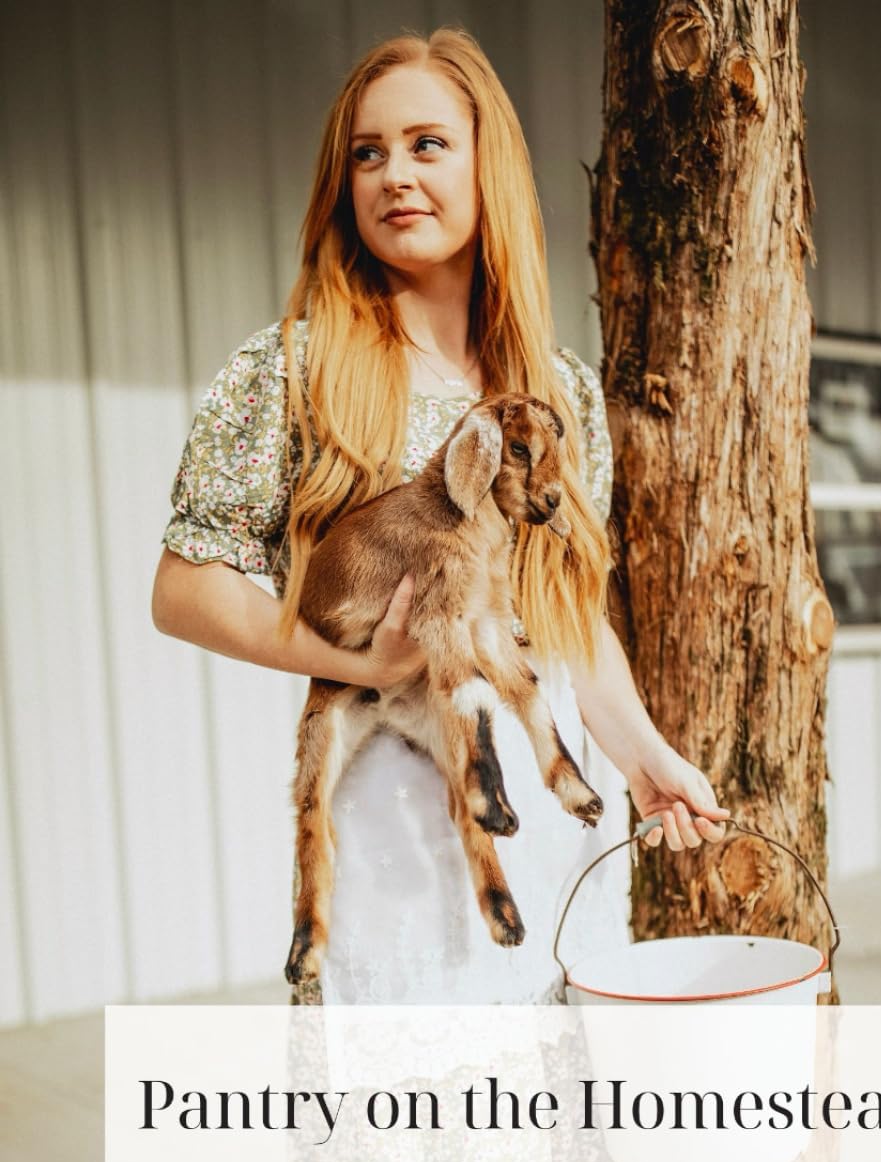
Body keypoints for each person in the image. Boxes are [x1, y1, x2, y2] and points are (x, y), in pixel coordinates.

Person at [151, 27, 728, 1010]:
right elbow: (184, 589)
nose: (394, 175)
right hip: (395, 832)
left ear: (485, 164)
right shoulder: (293, 369)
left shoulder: (558, 391)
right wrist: (365, 664)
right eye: (367, 154)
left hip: (550, 829)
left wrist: (645, 757)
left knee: (556, 1088)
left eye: (427, 144)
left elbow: (566, 619)